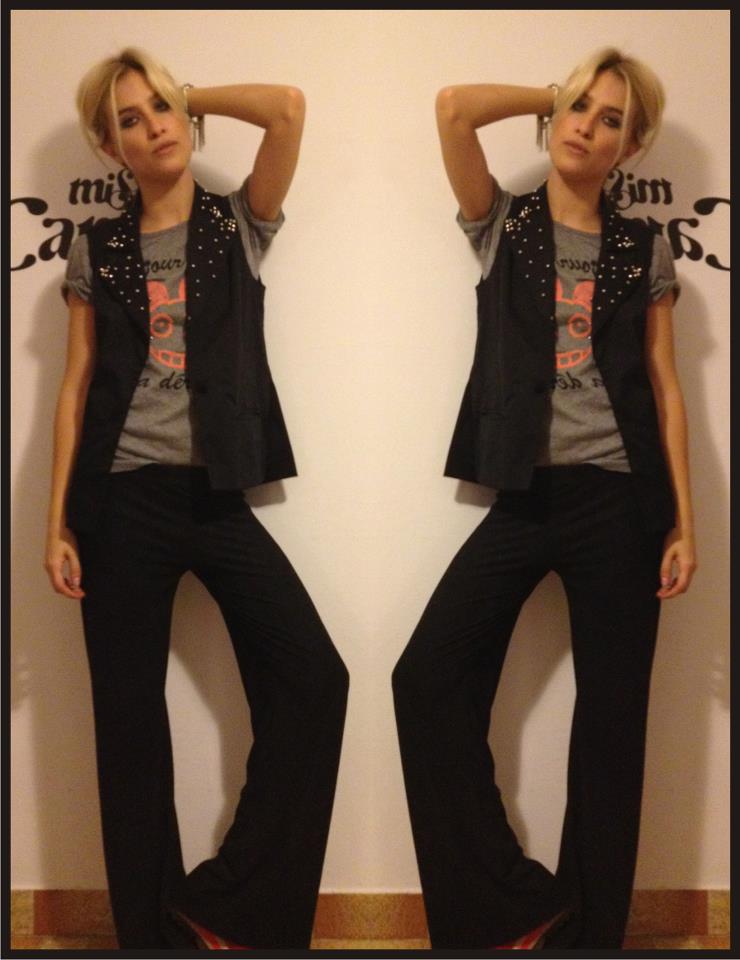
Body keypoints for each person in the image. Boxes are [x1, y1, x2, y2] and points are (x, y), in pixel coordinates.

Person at [44, 48, 349, 951]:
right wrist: (57, 522)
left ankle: (224, 907)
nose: (153, 127)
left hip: (216, 496)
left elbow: (287, 108)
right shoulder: (96, 246)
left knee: (315, 679)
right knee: (129, 729)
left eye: (162, 109)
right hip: (118, 501)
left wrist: (185, 91)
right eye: (129, 120)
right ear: (111, 148)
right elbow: (75, 386)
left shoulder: (236, 223)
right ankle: (148, 939)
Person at [392, 48, 696, 950]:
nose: (588, 128)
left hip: (622, 501)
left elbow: (665, 386)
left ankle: (593, 939)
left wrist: (683, 522)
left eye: (612, 120)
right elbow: (453, 108)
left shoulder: (645, 246)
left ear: (630, 148)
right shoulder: (504, 223)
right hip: (524, 495)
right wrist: (555, 91)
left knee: (611, 730)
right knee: (425, 679)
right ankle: (517, 906)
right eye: (579, 109)